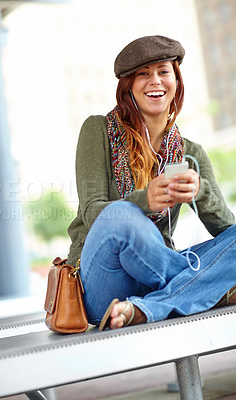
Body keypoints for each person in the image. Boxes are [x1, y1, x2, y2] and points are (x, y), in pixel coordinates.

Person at [67, 35, 236, 330]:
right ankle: (205, 287)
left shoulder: (190, 152)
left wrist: (200, 192)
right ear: (128, 86)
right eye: (143, 74)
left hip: (153, 288)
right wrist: (145, 200)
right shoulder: (98, 130)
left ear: (176, 81)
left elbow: (226, 234)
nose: (154, 81)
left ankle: (150, 308)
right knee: (122, 218)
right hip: (104, 287)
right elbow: (93, 212)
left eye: (163, 71)